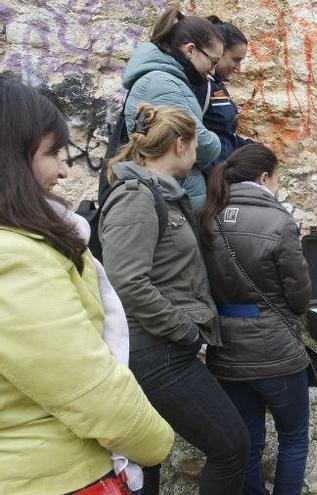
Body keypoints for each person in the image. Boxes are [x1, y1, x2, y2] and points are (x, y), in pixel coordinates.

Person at [0, 79, 174, 494]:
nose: (63, 169)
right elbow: (87, 389)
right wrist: (156, 444)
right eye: (51, 153)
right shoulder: (13, 256)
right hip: (57, 476)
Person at [100, 103, 250, 495]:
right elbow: (127, 283)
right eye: (196, 145)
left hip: (164, 347)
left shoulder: (163, 196)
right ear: (181, 144)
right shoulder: (135, 196)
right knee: (231, 446)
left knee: (148, 459)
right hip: (156, 350)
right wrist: (186, 331)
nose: (200, 154)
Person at [199, 144, 312, 495]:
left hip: (226, 351)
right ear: (264, 177)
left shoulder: (207, 216)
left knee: (248, 441)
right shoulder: (279, 221)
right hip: (276, 352)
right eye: (276, 179)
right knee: (293, 438)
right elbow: (299, 297)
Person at [121, 7, 224, 212]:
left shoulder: (169, 80)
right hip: (167, 201)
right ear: (190, 50)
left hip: (172, 195)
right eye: (212, 61)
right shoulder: (162, 83)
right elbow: (199, 143)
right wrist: (216, 140)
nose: (212, 71)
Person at [194, 16, 255, 178]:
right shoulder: (201, 87)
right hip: (211, 180)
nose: (238, 68)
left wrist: (254, 149)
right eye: (236, 60)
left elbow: (226, 136)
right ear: (219, 52)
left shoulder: (216, 86)